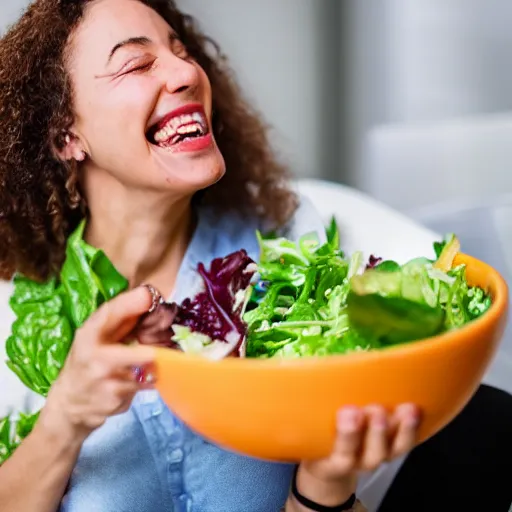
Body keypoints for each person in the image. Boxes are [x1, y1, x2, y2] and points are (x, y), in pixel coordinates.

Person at [0, 1, 421, 510]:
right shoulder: (18, 318)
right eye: (136, 64)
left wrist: (326, 484)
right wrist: (62, 420)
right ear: (65, 134)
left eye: (182, 50)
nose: (186, 72)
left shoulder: (289, 249)